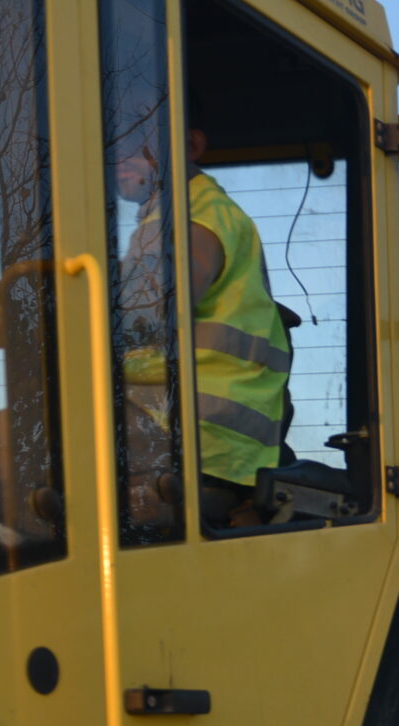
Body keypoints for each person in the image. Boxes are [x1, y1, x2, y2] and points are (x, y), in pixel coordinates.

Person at [113, 97, 292, 529]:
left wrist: (33, 313)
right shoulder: (171, 216)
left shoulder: (196, 215)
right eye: (109, 148)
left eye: (134, 145)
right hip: (177, 429)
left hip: (191, 436)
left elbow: (149, 311)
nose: (118, 161)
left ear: (190, 146)